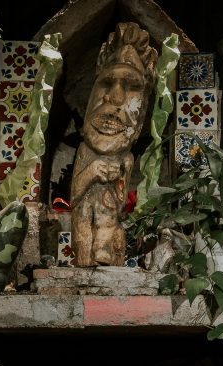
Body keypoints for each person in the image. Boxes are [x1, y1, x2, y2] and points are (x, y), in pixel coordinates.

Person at [70, 21, 157, 266]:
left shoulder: (126, 158)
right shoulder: (85, 151)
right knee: (84, 230)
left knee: (109, 226)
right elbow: (74, 195)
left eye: (131, 87)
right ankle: (88, 252)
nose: (115, 98)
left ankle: (103, 250)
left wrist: (116, 177)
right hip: (84, 218)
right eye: (107, 83)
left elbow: (120, 202)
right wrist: (90, 173)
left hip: (108, 216)